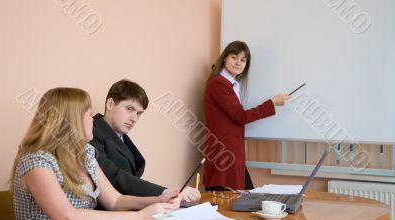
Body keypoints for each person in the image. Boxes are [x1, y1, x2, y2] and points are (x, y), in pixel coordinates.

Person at [12, 87, 180, 220]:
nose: (93, 120)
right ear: (71, 120)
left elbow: (115, 201)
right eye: (88, 114)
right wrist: (141, 217)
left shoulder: (85, 153)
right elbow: (67, 219)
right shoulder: (36, 160)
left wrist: (157, 200)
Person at [89, 79, 200, 202]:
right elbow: (114, 176)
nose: (134, 118)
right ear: (110, 104)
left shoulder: (120, 135)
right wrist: (166, 193)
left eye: (139, 113)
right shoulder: (91, 131)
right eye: (129, 109)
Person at [203, 40, 289, 190]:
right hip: (224, 153)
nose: (238, 62)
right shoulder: (219, 83)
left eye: (243, 60)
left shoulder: (229, 84)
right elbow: (240, 116)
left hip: (231, 152)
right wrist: (272, 103)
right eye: (234, 57)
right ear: (224, 58)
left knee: (244, 198)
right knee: (230, 202)